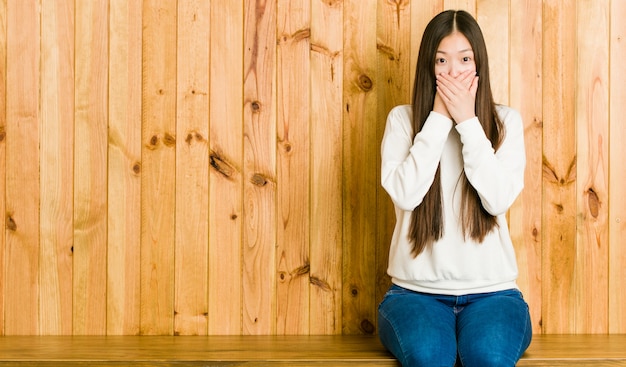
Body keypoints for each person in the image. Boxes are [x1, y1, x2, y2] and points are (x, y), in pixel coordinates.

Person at [377, 9, 532, 367]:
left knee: (489, 358)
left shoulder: (505, 122)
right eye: (441, 61)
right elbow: (405, 194)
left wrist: (468, 123)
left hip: (494, 296)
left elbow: (498, 200)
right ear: (428, 68)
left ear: (478, 66)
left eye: (464, 60)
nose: (452, 72)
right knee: (430, 358)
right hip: (414, 296)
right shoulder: (403, 120)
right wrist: (437, 120)